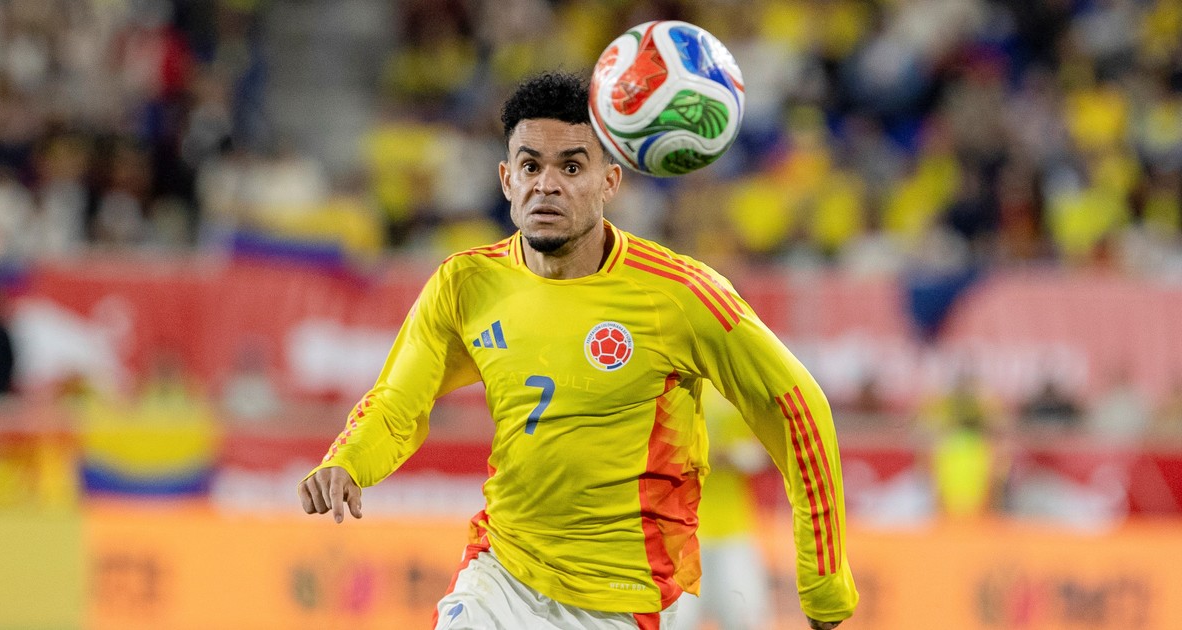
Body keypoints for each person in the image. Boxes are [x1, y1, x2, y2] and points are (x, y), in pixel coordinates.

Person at [297, 72, 858, 630]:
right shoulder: (464, 284)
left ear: (609, 181)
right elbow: (398, 402)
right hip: (501, 571)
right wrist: (348, 460)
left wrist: (824, 582)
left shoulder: (679, 294)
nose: (546, 184)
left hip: (621, 598)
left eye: (571, 167)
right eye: (530, 166)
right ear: (506, 179)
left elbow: (797, 408)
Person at [675, 381, 772, 630]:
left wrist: (734, 455)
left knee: (744, 620)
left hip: (732, 531)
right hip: (681, 532)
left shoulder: (742, 386)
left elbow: (771, 449)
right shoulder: (678, 384)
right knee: (677, 622)